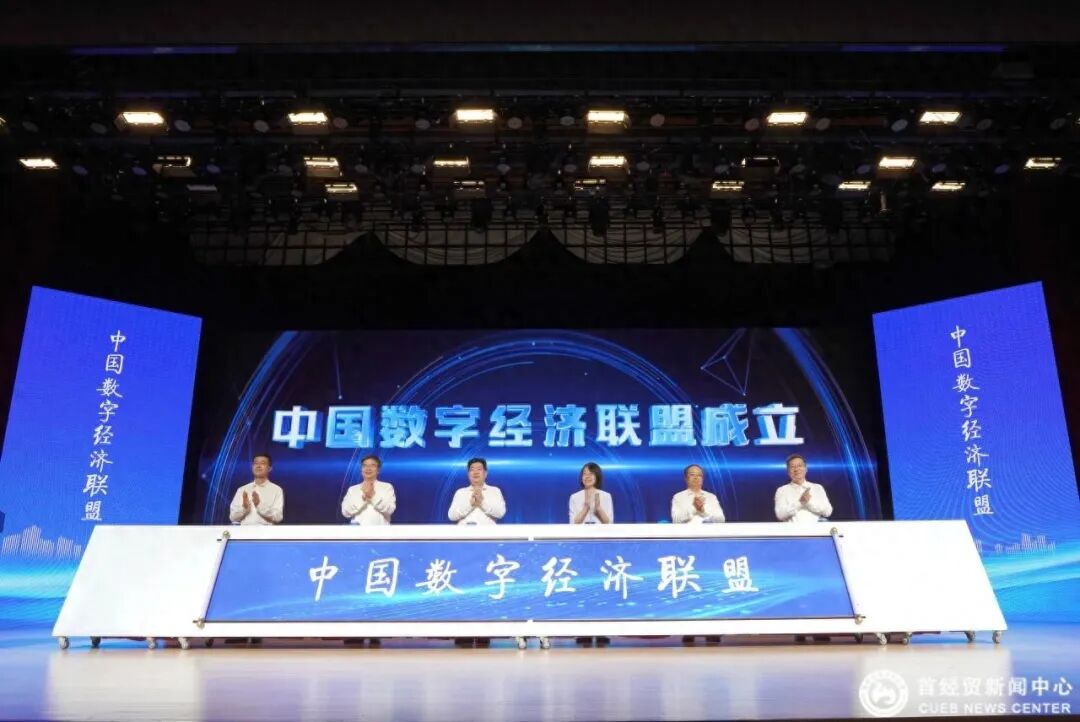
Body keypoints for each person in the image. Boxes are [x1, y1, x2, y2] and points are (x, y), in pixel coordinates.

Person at [671, 463, 723, 645]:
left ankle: (712, 629)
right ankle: (689, 629)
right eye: (692, 475)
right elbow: (676, 520)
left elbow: (721, 519)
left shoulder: (711, 497)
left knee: (710, 586)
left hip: (709, 547)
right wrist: (693, 509)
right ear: (686, 478)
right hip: (687, 549)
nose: (696, 478)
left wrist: (703, 510)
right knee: (689, 588)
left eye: (699, 475)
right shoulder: (678, 497)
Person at [774, 453, 833, 523]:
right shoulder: (782, 490)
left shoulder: (818, 488)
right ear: (788, 471)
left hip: (815, 529)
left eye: (800, 465)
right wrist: (800, 503)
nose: (796, 469)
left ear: (806, 469)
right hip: (792, 529)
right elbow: (780, 515)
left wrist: (809, 503)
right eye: (792, 467)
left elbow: (828, 512)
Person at [228, 453, 284, 525]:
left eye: (263, 463)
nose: (258, 466)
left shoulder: (276, 490)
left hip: (266, 531)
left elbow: (278, 517)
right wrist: (244, 508)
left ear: (269, 468)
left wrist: (259, 505)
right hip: (244, 531)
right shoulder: (242, 489)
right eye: (256, 463)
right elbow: (233, 517)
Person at [448, 457, 506, 526]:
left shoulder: (495, 491)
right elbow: (451, 516)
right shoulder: (460, 492)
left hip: (487, 532)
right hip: (464, 532)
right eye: (472, 470)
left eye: (479, 469)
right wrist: (470, 505)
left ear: (485, 473)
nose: (475, 472)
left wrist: (482, 503)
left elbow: (500, 513)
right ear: (468, 474)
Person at [341, 454, 397, 526]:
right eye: (365, 465)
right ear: (361, 469)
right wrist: (362, 499)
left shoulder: (387, 487)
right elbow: (345, 512)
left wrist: (372, 496)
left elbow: (390, 510)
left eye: (372, 465)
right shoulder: (352, 489)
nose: (368, 468)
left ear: (378, 470)